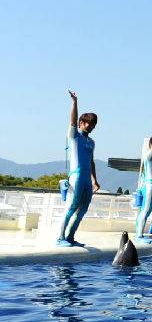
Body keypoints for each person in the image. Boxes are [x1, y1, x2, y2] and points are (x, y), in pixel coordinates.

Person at [57, 91, 100, 246]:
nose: (92, 126)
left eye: (94, 124)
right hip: (76, 177)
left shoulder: (92, 142)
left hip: (87, 179)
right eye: (89, 123)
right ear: (82, 122)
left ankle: (70, 237)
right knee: (71, 207)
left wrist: (95, 181)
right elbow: (72, 121)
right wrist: (75, 102)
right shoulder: (74, 136)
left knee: (82, 210)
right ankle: (60, 238)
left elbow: (91, 162)